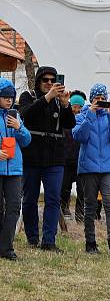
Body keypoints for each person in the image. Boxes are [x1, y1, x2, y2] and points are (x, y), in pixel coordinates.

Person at [18, 66, 74, 251]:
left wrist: (66, 105)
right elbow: (26, 115)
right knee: (30, 199)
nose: (49, 83)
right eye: (45, 80)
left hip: (55, 157)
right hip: (32, 156)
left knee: (53, 199)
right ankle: (32, 237)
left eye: (53, 80)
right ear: (38, 81)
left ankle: (49, 241)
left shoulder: (59, 101)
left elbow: (69, 124)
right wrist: (47, 97)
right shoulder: (28, 96)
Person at [72, 84, 110, 256]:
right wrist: (91, 115)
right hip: (88, 167)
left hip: (108, 167)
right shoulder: (82, 115)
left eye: (103, 98)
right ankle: (90, 242)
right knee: (90, 205)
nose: (100, 101)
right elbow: (80, 136)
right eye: (97, 99)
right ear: (91, 99)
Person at [0, 79, 31, 261]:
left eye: (11, 97)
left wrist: (19, 128)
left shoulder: (15, 116)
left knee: (13, 207)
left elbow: (26, 141)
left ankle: (6, 248)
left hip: (15, 169)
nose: (9, 101)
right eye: (4, 97)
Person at [61, 91, 85, 221]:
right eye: (74, 106)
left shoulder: (85, 120)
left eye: (79, 107)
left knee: (82, 189)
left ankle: (80, 214)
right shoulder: (66, 118)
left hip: (80, 159)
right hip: (65, 158)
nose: (76, 109)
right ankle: (64, 207)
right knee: (65, 186)